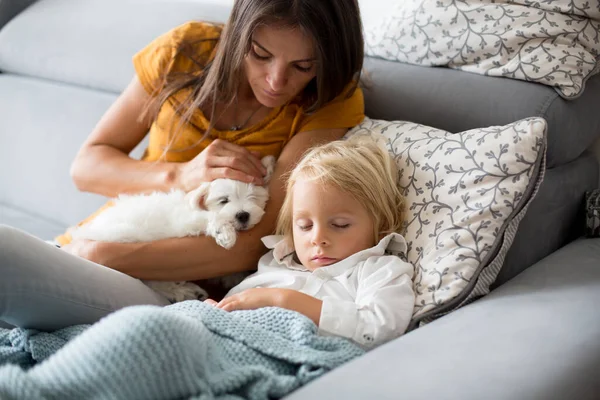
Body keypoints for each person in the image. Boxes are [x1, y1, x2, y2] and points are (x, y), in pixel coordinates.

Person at [0, 0, 365, 331]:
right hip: (98, 240)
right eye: (259, 54)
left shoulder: (330, 100)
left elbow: (255, 241)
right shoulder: (188, 51)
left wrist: (99, 255)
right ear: (239, 33)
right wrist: (179, 175)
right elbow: (87, 166)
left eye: (303, 66)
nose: (276, 81)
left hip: (179, 289)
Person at [207, 139, 415, 349]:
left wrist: (283, 300)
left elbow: (380, 328)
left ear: (381, 225)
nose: (317, 238)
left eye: (339, 225)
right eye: (305, 226)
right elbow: (235, 305)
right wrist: (214, 311)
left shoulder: (378, 271)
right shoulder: (274, 262)